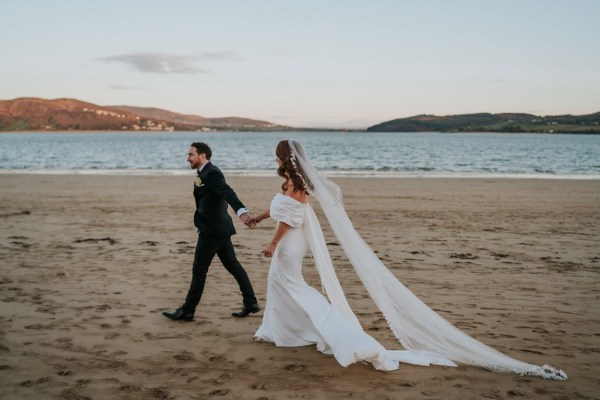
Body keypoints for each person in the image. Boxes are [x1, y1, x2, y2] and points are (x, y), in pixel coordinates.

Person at [250, 140, 566, 379]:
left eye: (276, 156)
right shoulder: (295, 182)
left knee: (293, 286)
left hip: (289, 242)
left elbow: (289, 218)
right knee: (282, 284)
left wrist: (272, 243)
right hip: (290, 241)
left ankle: (338, 333)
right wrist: (258, 217)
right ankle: (280, 331)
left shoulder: (296, 185)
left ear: (283, 158)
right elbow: (279, 210)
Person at [163, 142, 260, 321]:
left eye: (191, 154)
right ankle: (251, 302)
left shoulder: (212, 172)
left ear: (203, 156)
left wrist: (242, 212)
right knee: (233, 266)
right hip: (219, 228)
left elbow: (226, 191)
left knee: (199, 269)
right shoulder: (202, 173)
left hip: (213, 230)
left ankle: (188, 310)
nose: (187, 158)